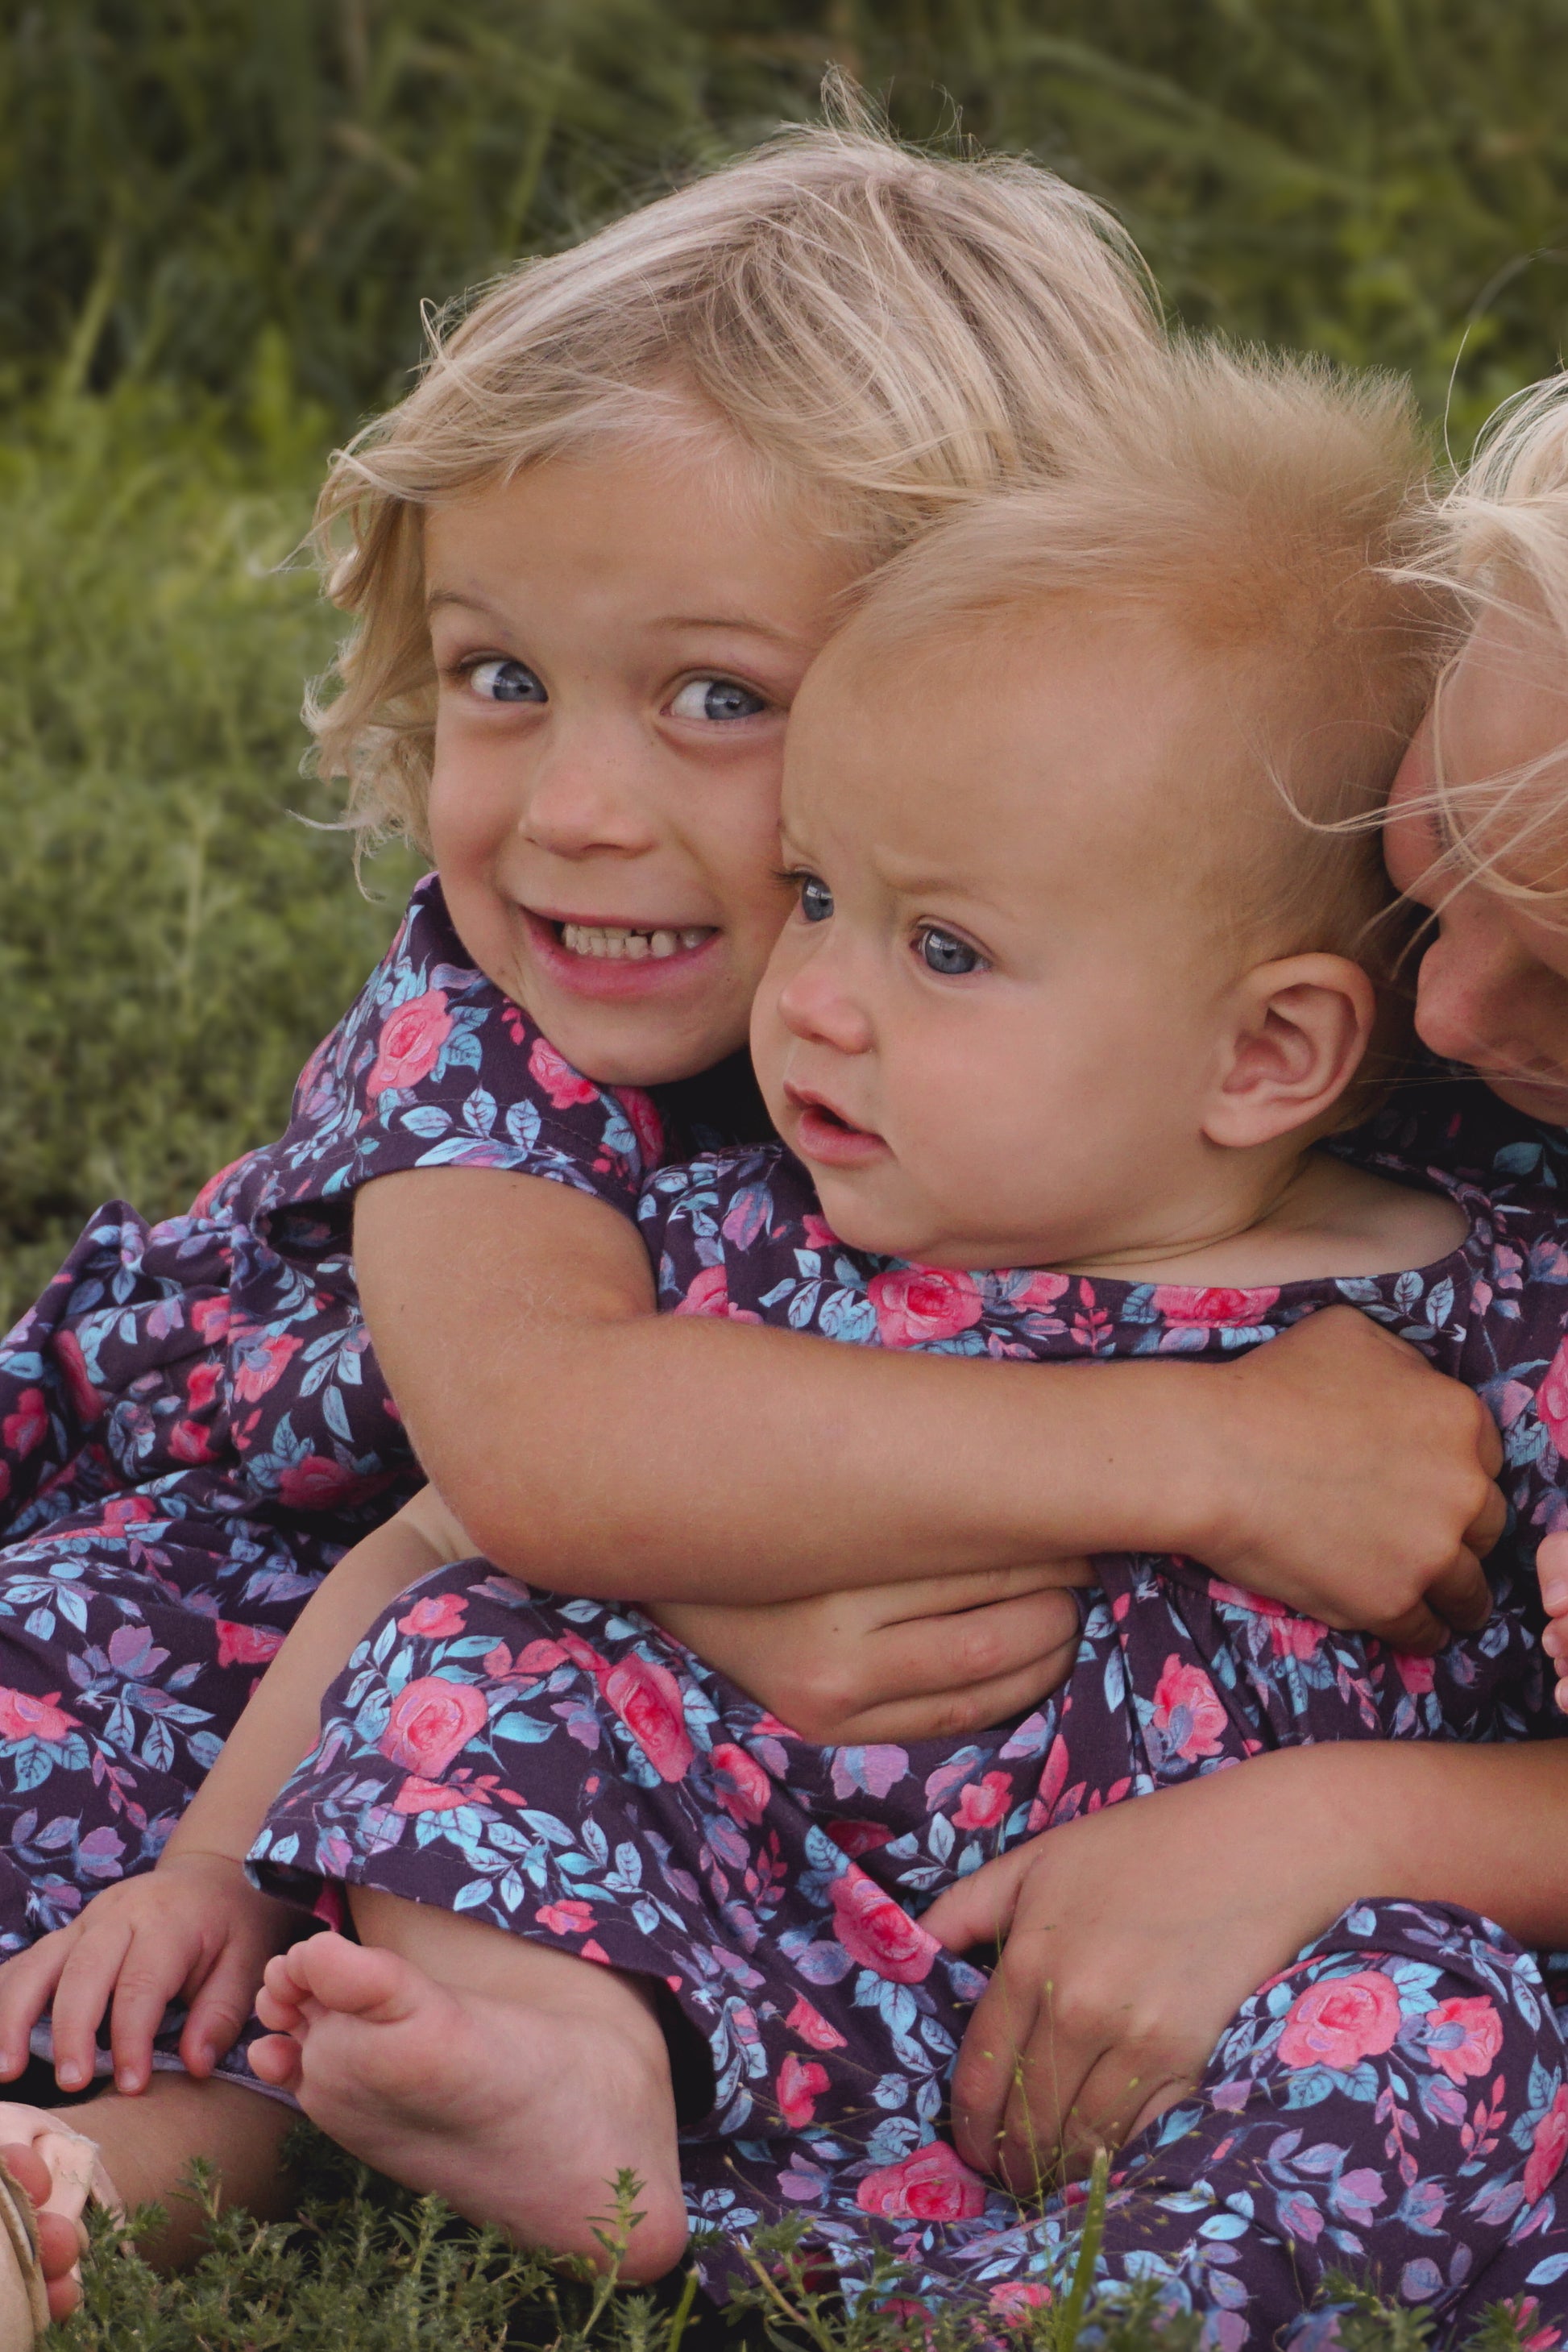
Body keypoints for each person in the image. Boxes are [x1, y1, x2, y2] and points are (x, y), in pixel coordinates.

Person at [0, 113, 1493, 2329]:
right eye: (500, 676)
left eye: (718, 699)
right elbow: (540, 1461)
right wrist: (1212, 1455)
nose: (578, 808)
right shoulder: (483, 1039)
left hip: (763, 1772)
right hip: (302, 1576)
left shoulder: (1221, 1026)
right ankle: (82, 2192)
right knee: (227, 1854)